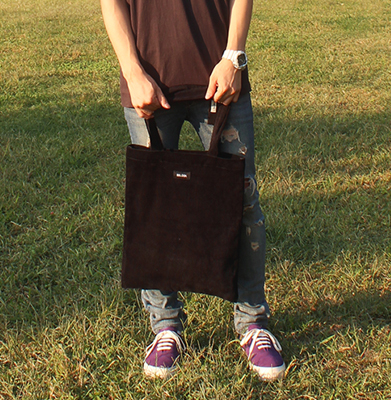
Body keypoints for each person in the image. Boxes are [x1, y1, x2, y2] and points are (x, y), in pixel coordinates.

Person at [100, 0, 286, 382]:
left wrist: (234, 58)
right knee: (154, 209)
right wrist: (132, 72)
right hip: (149, 82)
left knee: (242, 201)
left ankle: (253, 323)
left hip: (221, 78)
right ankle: (165, 326)